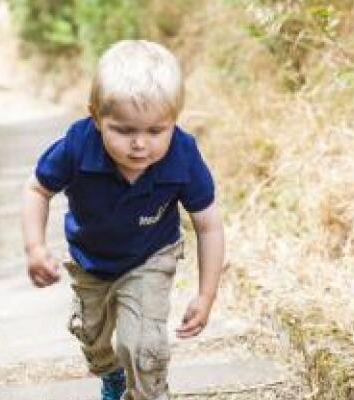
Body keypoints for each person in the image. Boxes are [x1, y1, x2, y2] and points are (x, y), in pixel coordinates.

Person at [20, 39, 224, 400]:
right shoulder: (77, 145)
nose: (140, 144)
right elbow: (38, 190)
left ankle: (148, 392)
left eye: (155, 131)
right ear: (96, 117)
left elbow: (207, 224)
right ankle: (110, 375)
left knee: (143, 345)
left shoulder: (183, 154)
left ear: (174, 121)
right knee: (92, 337)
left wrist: (206, 294)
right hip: (91, 261)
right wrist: (35, 247)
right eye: (124, 130)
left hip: (151, 256)